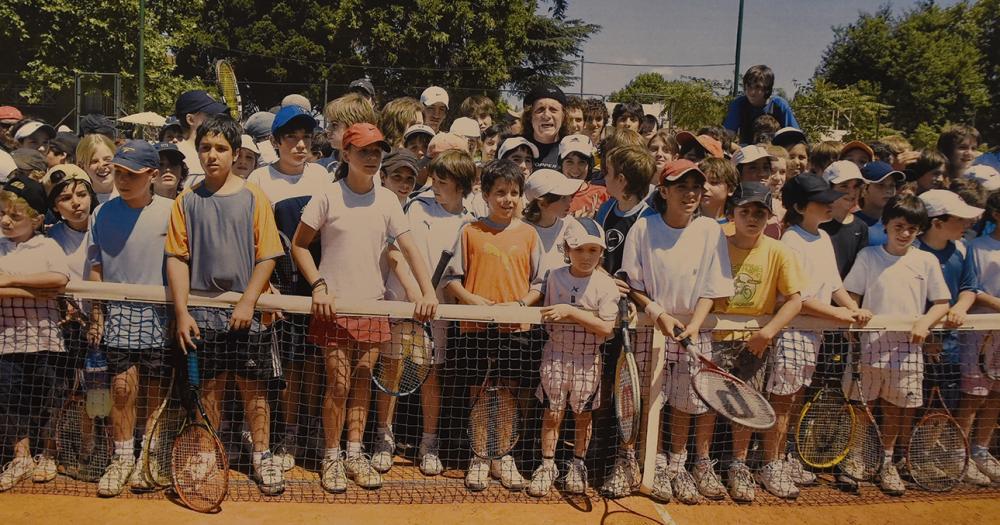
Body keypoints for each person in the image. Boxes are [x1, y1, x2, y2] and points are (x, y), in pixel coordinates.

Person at [291, 123, 437, 492]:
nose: (372, 158)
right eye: (364, 151)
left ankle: (354, 453)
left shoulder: (388, 200)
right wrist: (319, 286)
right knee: (338, 384)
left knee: (361, 382)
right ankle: (331, 456)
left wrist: (426, 292)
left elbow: (406, 248)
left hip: (373, 306)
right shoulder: (327, 196)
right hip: (334, 308)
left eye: (377, 152)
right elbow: (299, 245)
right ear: (346, 155)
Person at [165, 114, 286, 496]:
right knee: (210, 389)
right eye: (205, 148)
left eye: (220, 148)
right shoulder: (186, 201)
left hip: (248, 316)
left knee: (255, 390)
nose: (212, 155)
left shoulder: (255, 197)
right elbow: (176, 258)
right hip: (202, 316)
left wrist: (248, 302)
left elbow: (268, 255)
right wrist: (182, 312)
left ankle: (262, 454)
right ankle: (206, 451)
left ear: (235, 154)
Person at [619, 160, 733, 504]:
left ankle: (677, 466)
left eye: (696, 187)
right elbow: (629, 283)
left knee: (686, 405)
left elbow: (713, 288)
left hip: (693, 331)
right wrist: (658, 314)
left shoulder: (711, 231)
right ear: (664, 191)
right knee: (644, 400)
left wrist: (694, 326)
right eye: (681, 187)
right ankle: (640, 462)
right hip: (651, 328)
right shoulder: (643, 228)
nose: (690, 194)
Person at [443, 159, 544, 492]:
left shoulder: (529, 234)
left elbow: (539, 284)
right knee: (479, 393)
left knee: (507, 393)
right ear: (485, 194)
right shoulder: (470, 232)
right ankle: (480, 456)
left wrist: (519, 307)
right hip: (476, 329)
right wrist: (474, 303)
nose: (508, 199)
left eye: (514, 193)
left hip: (515, 329)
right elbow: (452, 281)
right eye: (500, 192)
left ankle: (503, 456)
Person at [81, 140, 174, 496]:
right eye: (119, 172)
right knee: (122, 391)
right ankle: (121, 458)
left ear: (151, 175)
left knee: (153, 393)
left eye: (131, 174)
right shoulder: (101, 213)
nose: (122, 179)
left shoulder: (173, 210)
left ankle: (148, 457)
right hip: (118, 319)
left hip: (161, 321)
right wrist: (97, 314)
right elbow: (96, 267)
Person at [378, 150, 477, 477]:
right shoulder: (417, 207)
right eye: (434, 179)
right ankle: (383, 437)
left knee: (430, 377)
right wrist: (414, 295)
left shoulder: (470, 222)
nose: (434, 185)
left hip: (439, 312)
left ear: (461, 186)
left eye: (443, 182)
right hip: (403, 302)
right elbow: (403, 255)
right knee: (392, 370)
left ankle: (429, 442)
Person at [843, 194, 951, 496]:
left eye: (912, 229)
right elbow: (852, 295)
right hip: (870, 350)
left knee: (895, 410)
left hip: (907, 354)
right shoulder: (868, 256)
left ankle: (887, 462)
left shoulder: (926, 261)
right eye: (899, 226)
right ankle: (856, 458)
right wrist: (856, 310)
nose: (904, 234)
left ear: (919, 231)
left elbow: (942, 302)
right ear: (886, 224)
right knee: (864, 408)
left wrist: (924, 322)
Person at [246, 105, 330, 472]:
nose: (300, 145)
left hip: (320, 286)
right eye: (291, 138)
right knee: (289, 368)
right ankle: (290, 431)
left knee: (315, 364)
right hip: (282, 287)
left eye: (306, 138)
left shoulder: (323, 178)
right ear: (275, 142)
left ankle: (311, 429)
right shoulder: (260, 181)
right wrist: (266, 285)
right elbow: (253, 239)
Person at [778, 174, 872, 494]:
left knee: (795, 398)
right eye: (821, 201)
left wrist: (851, 309)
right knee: (782, 401)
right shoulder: (790, 241)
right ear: (799, 207)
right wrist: (838, 314)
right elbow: (799, 299)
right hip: (790, 335)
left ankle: (786, 455)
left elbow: (834, 286)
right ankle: (773, 461)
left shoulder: (822, 238)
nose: (830, 204)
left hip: (813, 336)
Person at [527, 217, 619, 497]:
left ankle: (578, 464)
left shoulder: (607, 286)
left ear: (602, 252)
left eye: (593, 250)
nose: (586, 256)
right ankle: (547, 465)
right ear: (567, 249)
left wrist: (571, 312)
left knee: (583, 416)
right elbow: (547, 316)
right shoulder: (555, 276)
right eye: (579, 249)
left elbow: (606, 327)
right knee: (552, 414)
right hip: (555, 355)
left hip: (588, 359)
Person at [0, 177, 70, 493]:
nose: (5, 220)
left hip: (45, 340)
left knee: (49, 399)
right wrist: (33, 291)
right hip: (6, 342)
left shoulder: (48, 245)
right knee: (12, 401)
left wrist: (11, 281)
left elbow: (59, 278)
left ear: (37, 219)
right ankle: (21, 457)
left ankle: (49, 453)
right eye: (2, 212)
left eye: (15, 215)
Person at [912, 190, 985, 484]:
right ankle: (905, 459)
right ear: (936, 222)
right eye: (959, 218)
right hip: (914, 346)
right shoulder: (913, 251)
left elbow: (969, 287)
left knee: (944, 404)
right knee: (908, 406)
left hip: (952, 346)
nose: (966, 223)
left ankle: (926, 457)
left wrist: (960, 307)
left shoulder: (963, 249)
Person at [960, 190, 1000, 484]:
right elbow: (973, 289)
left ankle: (981, 450)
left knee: (997, 394)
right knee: (973, 397)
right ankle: (961, 455)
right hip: (979, 334)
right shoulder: (978, 246)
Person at [42, 165, 96, 282]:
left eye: (82, 195)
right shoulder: (50, 237)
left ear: (91, 197)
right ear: (54, 207)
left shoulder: (107, 228)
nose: (76, 202)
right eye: (66, 198)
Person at [523, 169, 582, 275]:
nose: (570, 201)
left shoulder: (570, 224)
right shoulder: (522, 230)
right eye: (563, 198)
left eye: (570, 195)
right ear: (542, 204)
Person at [723, 65, 799, 145]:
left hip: (775, 151)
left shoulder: (779, 105)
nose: (751, 92)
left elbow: (794, 136)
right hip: (748, 152)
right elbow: (728, 134)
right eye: (749, 86)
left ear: (767, 89)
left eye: (757, 87)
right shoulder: (739, 104)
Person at [819, 161, 870, 279]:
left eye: (856, 186)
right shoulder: (817, 223)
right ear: (828, 187)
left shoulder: (861, 227)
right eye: (844, 186)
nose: (851, 192)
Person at [172, 90, 230, 186]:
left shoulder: (223, 150)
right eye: (210, 115)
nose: (216, 119)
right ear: (190, 119)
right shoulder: (176, 155)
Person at [321, 93, 378, 174]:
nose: (327, 130)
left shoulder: (378, 171)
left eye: (334, 125)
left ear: (354, 126)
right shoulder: (319, 168)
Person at [856, 161, 906, 247]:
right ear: (864, 189)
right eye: (881, 185)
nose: (888, 191)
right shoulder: (851, 222)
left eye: (892, 185)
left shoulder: (901, 223)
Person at [521, 83, 567, 170]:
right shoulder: (515, 147)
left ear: (563, 116)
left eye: (553, 110)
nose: (547, 115)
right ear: (530, 116)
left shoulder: (571, 149)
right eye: (540, 109)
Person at [559, 134, 607, 217]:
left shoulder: (603, 194)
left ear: (590, 165)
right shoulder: (551, 195)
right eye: (569, 162)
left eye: (582, 162)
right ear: (560, 164)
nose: (575, 169)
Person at [75, 134, 116, 204]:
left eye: (107, 159)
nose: (101, 165)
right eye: (94, 161)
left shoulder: (132, 194)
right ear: (82, 166)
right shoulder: (79, 201)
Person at [699, 157, 738, 224]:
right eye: (701, 182)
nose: (705, 187)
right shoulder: (682, 224)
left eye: (714, 182)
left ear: (731, 189)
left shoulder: (737, 228)